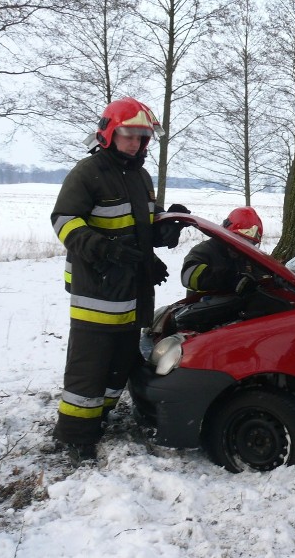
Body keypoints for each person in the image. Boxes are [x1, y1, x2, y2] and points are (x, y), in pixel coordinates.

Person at [51, 97, 189, 463]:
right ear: (110, 134)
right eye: (129, 135)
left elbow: (145, 228)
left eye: (142, 137)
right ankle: (74, 436)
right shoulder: (87, 172)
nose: (135, 144)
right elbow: (64, 222)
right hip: (98, 291)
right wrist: (105, 250)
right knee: (89, 365)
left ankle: (100, 419)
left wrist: (169, 225)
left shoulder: (140, 176)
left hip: (132, 292)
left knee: (120, 362)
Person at [181, 206, 263, 294]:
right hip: (205, 305)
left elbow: (260, 273)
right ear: (228, 234)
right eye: (242, 240)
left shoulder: (244, 256)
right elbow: (188, 275)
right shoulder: (205, 250)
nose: (245, 246)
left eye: (251, 243)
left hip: (235, 305)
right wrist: (230, 279)